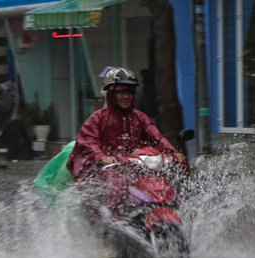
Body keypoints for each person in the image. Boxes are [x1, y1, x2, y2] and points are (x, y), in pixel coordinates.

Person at [66, 67, 185, 220]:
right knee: (116, 191)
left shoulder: (140, 117)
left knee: (170, 187)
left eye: (129, 92)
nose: (126, 97)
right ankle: (111, 229)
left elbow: (158, 138)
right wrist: (102, 157)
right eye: (122, 92)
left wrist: (173, 152)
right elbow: (88, 141)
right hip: (108, 170)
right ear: (112, 95)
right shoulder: (98, 118)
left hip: (139, 167)